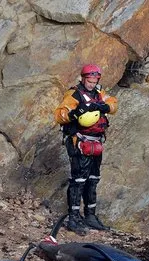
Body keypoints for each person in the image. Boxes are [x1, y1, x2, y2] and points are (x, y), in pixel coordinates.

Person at [54, 64, 118, 234]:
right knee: (78, 180)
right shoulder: (73, 94)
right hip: (79, 142)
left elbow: (113, 104)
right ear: (83, 79)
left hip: (96, 142)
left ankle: (90, 215)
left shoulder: (99, 93)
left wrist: (105, 107)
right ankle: (73, 218)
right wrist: (76, 113)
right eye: (89, 81)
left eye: (94, 80)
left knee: (93, 178)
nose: (92, 84)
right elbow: (59, 115)